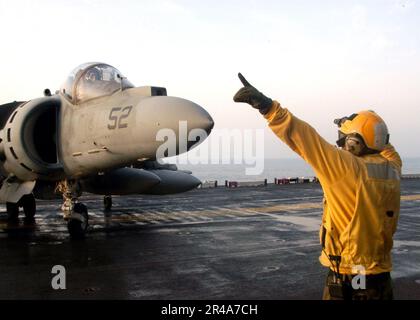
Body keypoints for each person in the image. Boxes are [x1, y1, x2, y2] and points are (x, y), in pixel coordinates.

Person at [233, 73, 401, 300]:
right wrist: (371, 123)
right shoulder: (392, 167)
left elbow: (305, 138)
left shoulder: (348, 168)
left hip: (355, 274)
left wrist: (268, 107)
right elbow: (384, 145)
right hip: (380, 273)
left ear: (355, 143)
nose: (341, 145)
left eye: (344, 140)